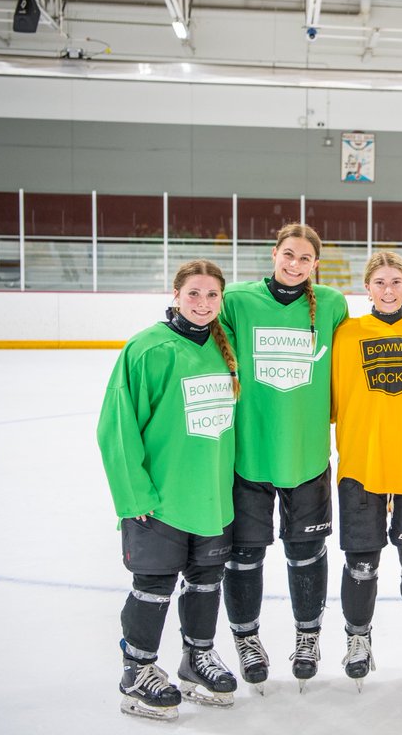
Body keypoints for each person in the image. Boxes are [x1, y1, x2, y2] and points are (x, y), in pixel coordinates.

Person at [97, 259, 241, 720]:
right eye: (194, 294)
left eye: (212, 295)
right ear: (176, 295)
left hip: (212, 496)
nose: (203, 304)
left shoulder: (226, 348)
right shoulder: (147, 348)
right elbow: (116, 429)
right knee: (153, 583)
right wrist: (133, 495)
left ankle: (196, 658)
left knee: (207, 580)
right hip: (160, 500)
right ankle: (137, 670)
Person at [218, 222, 349, 693]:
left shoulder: (332, 305)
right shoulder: (236, 301)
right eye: (288, 255)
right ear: (274, 254)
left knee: (306, 553)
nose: (295, 265)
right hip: (250, 454)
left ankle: (307, 637)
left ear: (316, 264)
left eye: (305, 259)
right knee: (244, 555)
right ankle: (247, 639)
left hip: (306, 455)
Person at [330, 251, 402, 690]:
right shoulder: (347, 334)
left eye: (396, 281)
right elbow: (335, 400)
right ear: (367, 287)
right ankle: (358, 639)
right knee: (361, 561)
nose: (388, 289)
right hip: (362, 462)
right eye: (379, 282)